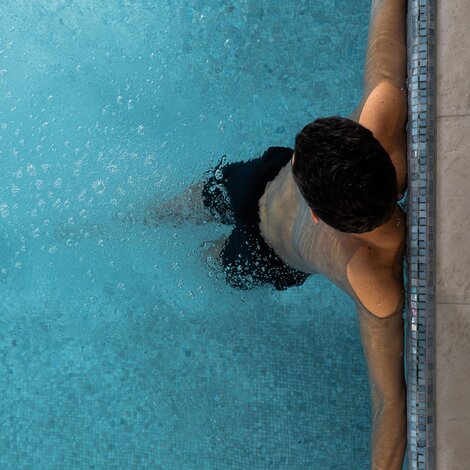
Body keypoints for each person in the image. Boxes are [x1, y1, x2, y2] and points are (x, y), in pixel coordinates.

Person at [145, 0, 408, 468]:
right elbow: (384, 33)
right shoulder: (381, 110)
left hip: (266, 255)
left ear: (319, 220)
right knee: (172, 209)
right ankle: (126, 222)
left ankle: (177, 251)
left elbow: (389, 403)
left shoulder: (371, 279)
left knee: (205, 262)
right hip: (259, 180)